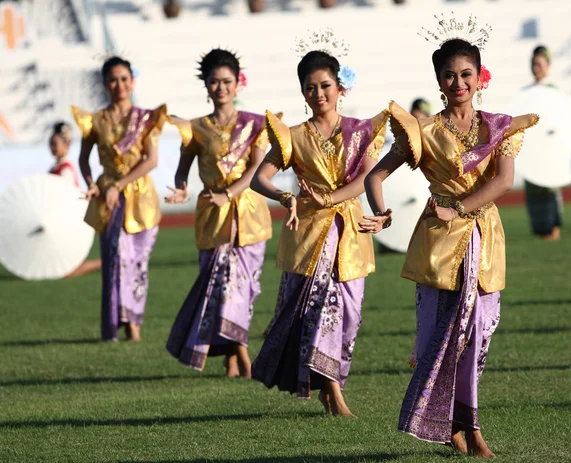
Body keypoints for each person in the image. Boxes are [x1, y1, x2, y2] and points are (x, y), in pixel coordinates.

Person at [362, 34, 538, 456]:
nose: (458, 82)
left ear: (480, 79)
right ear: (439, 81)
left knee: (477, 332)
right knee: (441, 334)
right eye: (449, 76)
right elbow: (375, 176)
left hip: (481, 235)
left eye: (466, 74)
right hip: (439, 241)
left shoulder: (500, 127)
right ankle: (460, 427)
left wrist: (460, 209)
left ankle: (464, 422)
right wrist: (383, 214)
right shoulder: (423, 132)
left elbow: (503, 181)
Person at [250, 47, 389, 417]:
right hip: (311, 236)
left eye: (325, 85)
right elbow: (258, 179)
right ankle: (334, 392)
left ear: (339, 86)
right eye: (309, 88)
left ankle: (330, 386)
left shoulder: (361, 131)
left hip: (351, 233)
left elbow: (368, 177)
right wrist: (283, 195)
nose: (318, 94)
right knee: (321, 308)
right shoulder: (293, 136)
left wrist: (380, 212)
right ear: (302, 93)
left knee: (349, 312)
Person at [165, 49, 272, 378]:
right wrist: (181, 187)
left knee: (245, 290)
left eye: (227, 81)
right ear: (206, 86)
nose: (221, 87)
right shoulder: (195, 128)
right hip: (212, 214)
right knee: (221, 288)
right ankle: (241, 354)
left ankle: (232, 355)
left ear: (238, 83)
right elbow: (182, 168)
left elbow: (256, 168)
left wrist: (230, 194)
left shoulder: (257, 124)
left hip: (249, 215)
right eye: (214, 81)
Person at [72, 56, 167, 342]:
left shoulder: (146, 119)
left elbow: (151, 160)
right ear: (105, 83)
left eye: (124, 79)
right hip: (109, 200)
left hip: (141, 199)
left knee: (137, 262)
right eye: (113, 79)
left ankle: (133, 322)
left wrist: (120, 184)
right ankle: (115, 325)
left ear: (132, 81)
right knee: (114, 260)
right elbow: (83, 159)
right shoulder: (95, 120)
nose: (119, 85)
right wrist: (92, 184)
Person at [48, 122, 102, 278]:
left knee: (66, 270)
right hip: (58, 220)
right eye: (50, 144)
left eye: (55, 144)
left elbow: (66, 198)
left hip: (66, 221)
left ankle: (104, 261)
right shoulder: (56, 167)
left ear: (65, 144)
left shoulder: (65, 169)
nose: (52, 147)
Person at [524, 45, 562, 241]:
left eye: (539, 64)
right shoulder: (526, 93)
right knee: (533, 191)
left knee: (550, 190)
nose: (536, 68)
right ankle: (539, 230)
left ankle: (553, 230)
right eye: (533, 64)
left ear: (548, 66)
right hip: (533, 151)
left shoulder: (554, 92)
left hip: (549, 151)